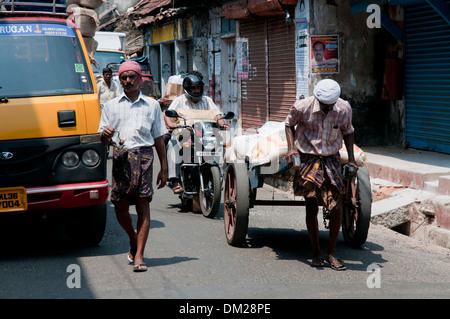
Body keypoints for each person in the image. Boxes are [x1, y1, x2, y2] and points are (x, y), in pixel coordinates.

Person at [98, 61, 168, 272]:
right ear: (120, 80)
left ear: (140, 80)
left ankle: (139, 255)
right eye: (124, 78)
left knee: (143, 204)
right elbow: (102, 139)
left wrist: (164, 168)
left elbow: (158, 137)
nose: (128, 81)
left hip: (145, 157)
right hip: (121, 157)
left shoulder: (152, 105)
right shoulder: (110, 106)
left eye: (132, 77)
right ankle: (132, 238)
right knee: (120, 206)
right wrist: (105, 135)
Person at [284, 78, 357, 271]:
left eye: (330, 105)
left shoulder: (344, 109)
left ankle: (331, 252)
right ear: (317, 98)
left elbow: (348, 132)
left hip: (331, 157)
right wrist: (291, 149)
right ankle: (316, 252)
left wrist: (351, 159)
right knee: (311, 204)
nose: (326, 108)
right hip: (308, 157)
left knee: (337, 206)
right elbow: (288, 125)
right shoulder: (302, 107)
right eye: (323, 105)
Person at [164, 72, 228, 194]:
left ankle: (219, 175)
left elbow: (218, 115)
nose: (196, 90)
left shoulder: (207, 100)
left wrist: (222, 123)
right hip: (185, 135)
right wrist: (171, 124)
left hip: (205, 135)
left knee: (221, 145)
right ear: (187, 89)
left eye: (198, 88)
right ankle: (175, 179)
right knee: (173, 145)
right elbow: (168, 114)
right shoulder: (179, 100)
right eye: (193, 88)